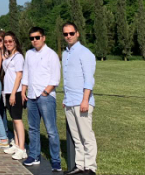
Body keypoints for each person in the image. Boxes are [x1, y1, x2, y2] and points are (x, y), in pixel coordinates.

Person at [21, 27, 61, 172]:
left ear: (43, 37)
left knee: (51, 130)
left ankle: (56, 160)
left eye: (37, 37)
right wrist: (23, 89)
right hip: (31, 96)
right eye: (32, 38)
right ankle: (34, 155)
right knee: (33, 129)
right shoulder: (29, 54)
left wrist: (45, 92)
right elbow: (26, 72)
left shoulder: (51, 54)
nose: (34, 40)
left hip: (45, 97)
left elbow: (55, 77)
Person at [62, 22, 97, 175]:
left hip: (82, 100)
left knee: (86, 136)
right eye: (65, 34)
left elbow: (89, 79)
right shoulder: (65, 54)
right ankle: (80, 165)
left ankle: (90, 167)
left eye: (71, 33)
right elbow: (67, 79)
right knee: (76, 137)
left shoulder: (85, 53)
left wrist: (85, 100)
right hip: (69, 101)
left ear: (77, 34)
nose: (68, 36)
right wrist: (65, 99)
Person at [1, 31, 27, 161]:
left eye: (10, 41)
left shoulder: (18, 57)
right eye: (5, 42)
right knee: (13, 119)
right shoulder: (9, 56)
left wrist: (13, 93)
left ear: (15, 41)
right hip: (7, 90)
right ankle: (16, 144)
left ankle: (22, 148)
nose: (8, 44)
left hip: (14, 91)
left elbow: (19, 75)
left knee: (17, 119)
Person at [0, 30, 14, 147]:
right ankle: (4, 132)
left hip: (8, 85)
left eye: (0, 40)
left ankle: (10, 135)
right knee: (0, 109)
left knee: (9, 110)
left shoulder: (8, 54)